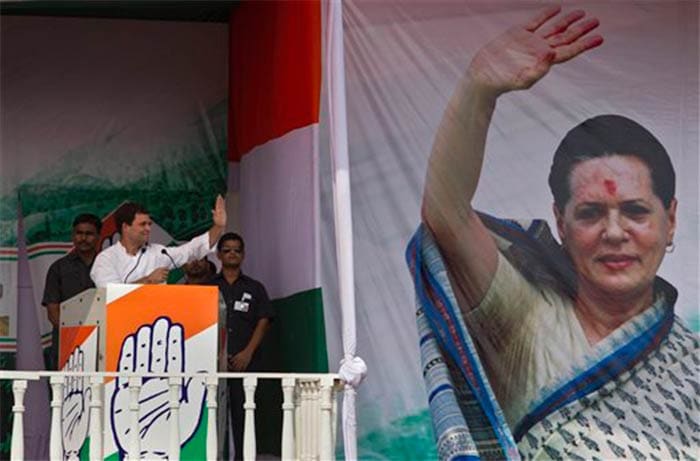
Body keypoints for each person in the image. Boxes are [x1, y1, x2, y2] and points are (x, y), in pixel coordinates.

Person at [410, 6, 698, 460]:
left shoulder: (692, 366)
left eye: (636, 211)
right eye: (590, 214)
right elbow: (446, 217)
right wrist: (477, 90)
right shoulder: (525, 320)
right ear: (560, 224)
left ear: (671, 220)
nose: (615, 232)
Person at [208, 232, 274, 460]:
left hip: (245, 364)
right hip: (213, 365)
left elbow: (263, 320)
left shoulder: (255, 288)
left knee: (244, 416)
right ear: (218, 255)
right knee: (213, 416)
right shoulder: (207, 287)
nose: (232, 254)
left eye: (237, 249)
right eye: (227, 250)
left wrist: (247, 353)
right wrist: (217, 355)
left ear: (243, 254)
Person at [91, 195, 226, 286]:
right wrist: (148, 280)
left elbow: (192, 250)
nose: (149, 229)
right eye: (142, 224)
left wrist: (218, 227)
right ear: (126, 227)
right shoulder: (106, 258)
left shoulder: (159, 252)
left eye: (149, 224)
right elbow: (109, 296)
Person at [42, 213, 102, 370]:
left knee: (100, 391)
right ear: (73, 235)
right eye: (79, 233)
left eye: (89, 234)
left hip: (102, 342)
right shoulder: (58, 268)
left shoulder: (108, 265)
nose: (83, 238)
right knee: (62, 391)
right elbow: (53, 312)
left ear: (98, 237)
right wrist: (74, 336)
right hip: (66, 344)